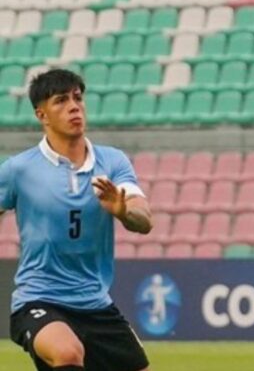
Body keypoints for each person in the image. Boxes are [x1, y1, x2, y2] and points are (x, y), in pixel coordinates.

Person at [1, 69, 153, 371]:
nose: (74, 106)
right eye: (61, 100)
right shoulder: (18, 170)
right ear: (42, 115)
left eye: (78, 98)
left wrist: (122, 211)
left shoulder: (112, 162)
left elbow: (144, 220)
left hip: (95, 303)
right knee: (68, 353)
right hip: (39, 300)